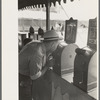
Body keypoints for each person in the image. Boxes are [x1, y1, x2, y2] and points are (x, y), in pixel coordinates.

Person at [19, 30, 63, 100]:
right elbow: (34, 76)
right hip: (22, 78)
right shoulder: (37, 52)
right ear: (52, 45)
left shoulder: (38, 44)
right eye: (57, 45)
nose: (57, 47)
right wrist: (47, 66)